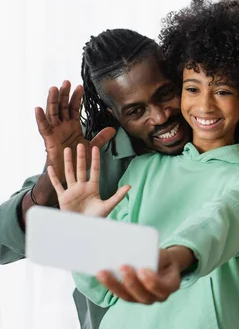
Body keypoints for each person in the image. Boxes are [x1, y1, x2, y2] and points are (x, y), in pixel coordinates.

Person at [47, 0, 239, 329]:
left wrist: (178, 255)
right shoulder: (141, 171)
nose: (205, 105)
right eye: (192, 89)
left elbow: (222, 220)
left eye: (223, 91)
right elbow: (102, 290)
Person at [0, 28, 193, 328]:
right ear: (113, 114)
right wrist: (50, 181)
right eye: (135, 110)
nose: (160, 116)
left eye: (165, 94)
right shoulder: (91, 156)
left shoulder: (215, 123)